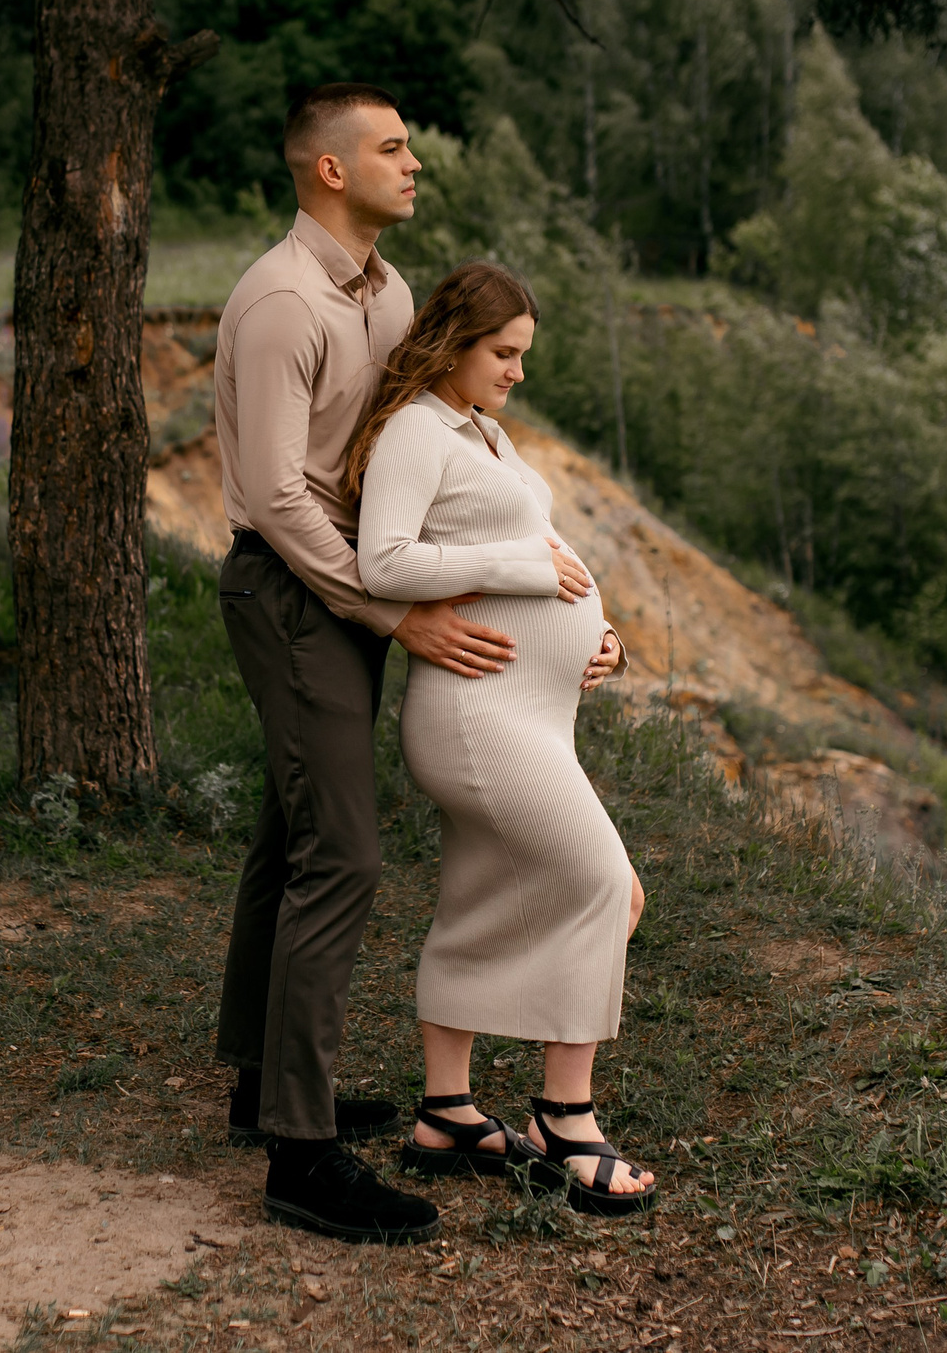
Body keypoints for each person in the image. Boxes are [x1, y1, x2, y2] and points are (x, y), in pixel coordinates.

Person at [212, 85, 623, 1245]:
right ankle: (302, 1155)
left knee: (288, 835)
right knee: (338, 855)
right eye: (392, 148)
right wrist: (392, 614)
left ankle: (260, 1084)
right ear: (330, 170)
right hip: (293, 590)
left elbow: (417, 431)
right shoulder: (281, 302)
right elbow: (283, 492)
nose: (414, 163)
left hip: (339, 592)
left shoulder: (384, 291)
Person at [346, 260, 657, 1216]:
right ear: (454, 342)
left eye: (523, 354)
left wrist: (595, 638)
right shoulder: (414, 432)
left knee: (481, 900)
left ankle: (445, 1112)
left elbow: (543, 567)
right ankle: (568, 1119)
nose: (519, 370)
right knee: (608, 884)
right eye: (504, 352)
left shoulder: (479, 431)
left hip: (526, 713)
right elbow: (384, 560)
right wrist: (524, 565)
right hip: (477, 719)